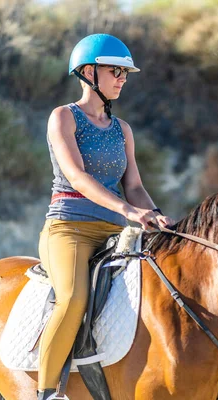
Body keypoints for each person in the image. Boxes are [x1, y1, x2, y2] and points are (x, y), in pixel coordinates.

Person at [37, 33, 174, 400]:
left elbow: (134, 186)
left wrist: (154, 214)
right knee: (72, 299)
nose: (122, 78)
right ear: (87, 72)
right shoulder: (64, 117)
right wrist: (127, 210)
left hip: (115, 232)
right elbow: (77, 177)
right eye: (116, 70)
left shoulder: (122, 130)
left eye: (126, 73)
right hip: (69, 229)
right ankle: (47, 393)